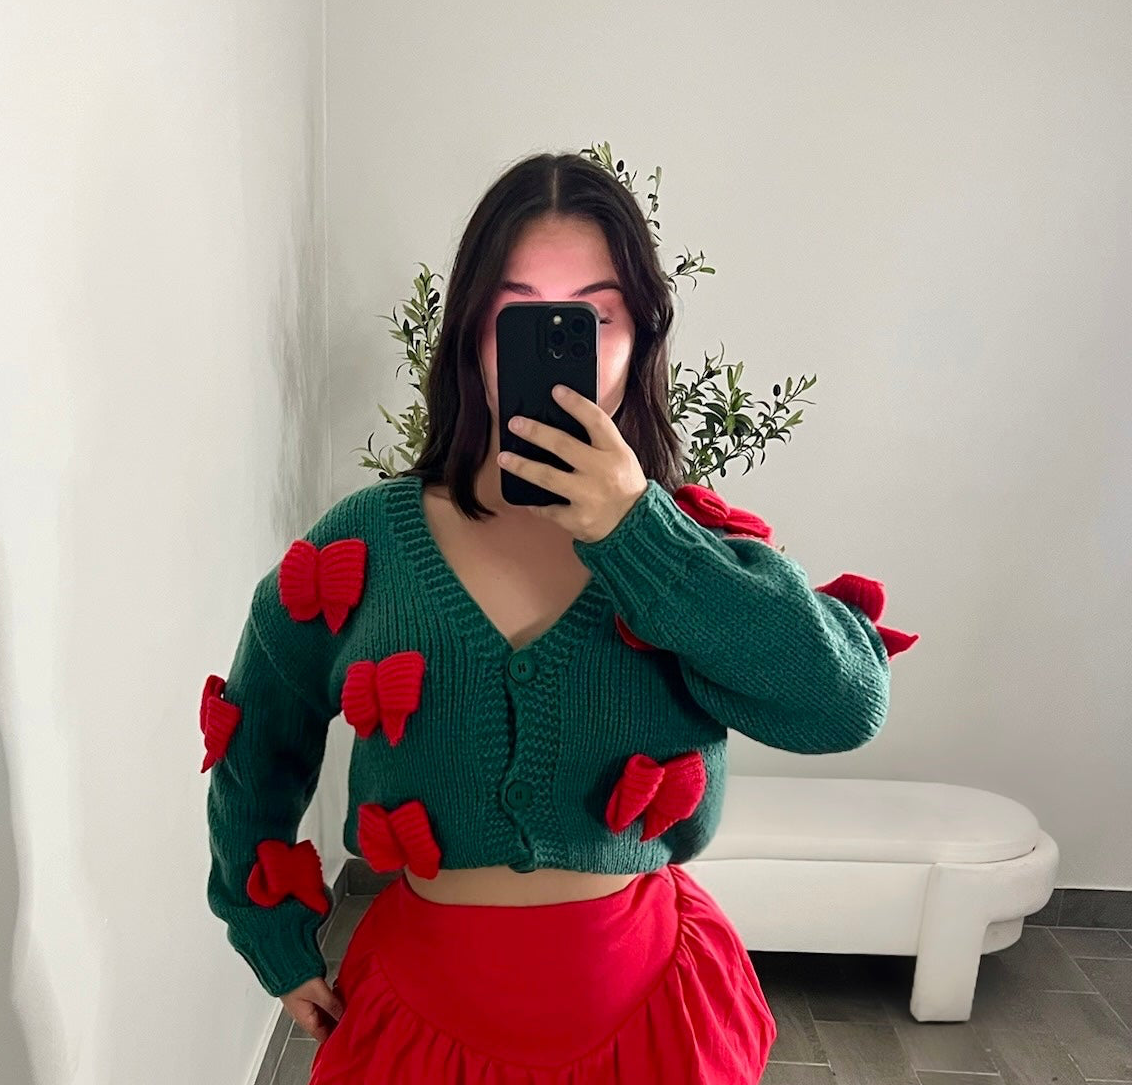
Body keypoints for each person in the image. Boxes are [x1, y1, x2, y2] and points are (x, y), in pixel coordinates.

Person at [201, 151, 918, 1084]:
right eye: (518, 311)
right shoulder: (365, 546)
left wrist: (638, 534)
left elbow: (844, 705)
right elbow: (258, 732)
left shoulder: (690, 547)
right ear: (471, 332)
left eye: (593, 315)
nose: (555, 341)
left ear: (639, 337)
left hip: (651, 1023)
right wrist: (270, 930)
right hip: (421, 1019)